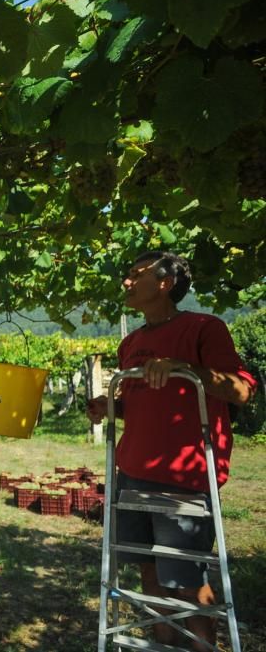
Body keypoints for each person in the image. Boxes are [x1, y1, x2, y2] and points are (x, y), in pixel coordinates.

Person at [86, 251, 256, 651]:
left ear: (164, 283)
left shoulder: (204, 328)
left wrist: (186, 368)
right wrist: (110, 407)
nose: (126, 282)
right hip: (132, 473)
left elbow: (243, 391)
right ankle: (166, 647)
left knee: (186, 582)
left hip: (184, 478)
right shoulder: (131, 342)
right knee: (149, 572)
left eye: (134, 274)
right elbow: (142, 404)